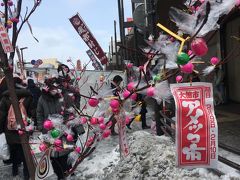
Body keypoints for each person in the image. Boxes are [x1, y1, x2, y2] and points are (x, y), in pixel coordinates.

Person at [36, 77, 73, 180]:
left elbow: (69, 111)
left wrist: (65, 124)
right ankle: (59, 175)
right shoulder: (42, 99)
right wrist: (41, 127)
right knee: (53, 157)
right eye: (52, 87)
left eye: (55, 87)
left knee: (64, 153)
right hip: (48, 132)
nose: (54, 89)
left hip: (62, 131)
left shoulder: (62, 97)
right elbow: (39, 114)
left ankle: (65, 174)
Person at [0, 77, 33, 179]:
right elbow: (32, 113)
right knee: (25, 153)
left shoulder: (5, 97)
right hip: (24, 129)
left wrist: (1, 129)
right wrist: (31, 127)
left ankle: (15, 172)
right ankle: (27, 174)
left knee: (14, 151)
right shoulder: (28, 96)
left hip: (10, 131)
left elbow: (2, 115)